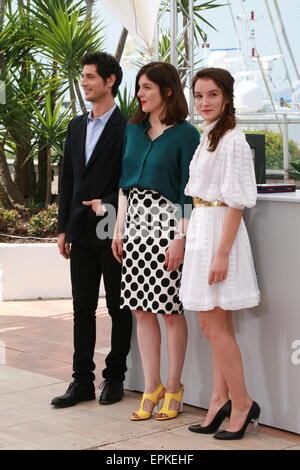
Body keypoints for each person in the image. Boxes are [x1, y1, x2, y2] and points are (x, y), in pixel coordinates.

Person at [112, 62, 200, 421]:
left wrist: (181, 237)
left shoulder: (186, 135)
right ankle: (152, 388)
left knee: (170, 310)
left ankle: (175, 386)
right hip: (134, 224)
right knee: (141, 310)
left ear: (167, 90)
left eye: (146, 87)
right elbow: (123, 183)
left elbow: (188, 193)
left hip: (167, 227)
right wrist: (118, 229)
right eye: (138, 87)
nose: (139, 94)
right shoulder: (133, 130)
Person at [180, 67, 260, 440]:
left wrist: (222, 254)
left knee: (214, 325)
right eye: (198, 95)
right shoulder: (208, 136)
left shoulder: (233, 141)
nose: (204, 102)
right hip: (202, 226)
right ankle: (218, 399)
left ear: (226, 97)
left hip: (219, 234)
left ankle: (241, 402)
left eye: (211, 95)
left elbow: (237, 202)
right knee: (211, 326)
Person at [51, 51, 132, 408]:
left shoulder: (128, 128)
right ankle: (81, 381)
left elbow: (128, 182)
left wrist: (114, 218)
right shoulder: (75, 126)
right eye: (83, 76)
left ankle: (114, 378)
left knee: (118, 307)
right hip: (79, 231)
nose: (84, 82)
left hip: (112, 228)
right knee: (81, 308)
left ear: (110, 80)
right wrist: (62, 227)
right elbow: (67, 180)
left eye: (89, 77)